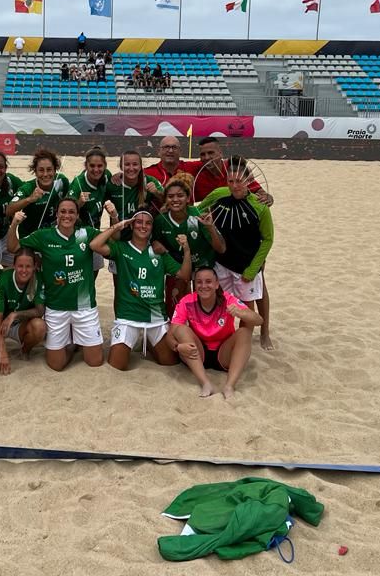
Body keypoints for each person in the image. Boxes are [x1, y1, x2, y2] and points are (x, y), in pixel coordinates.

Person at [6, 201, 103, 371]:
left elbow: (113, 239)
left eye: (71, 212)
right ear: (56, 214)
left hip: (84, 307)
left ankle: (74, 339)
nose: (67, 215)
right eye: (63, 211)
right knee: (56, 366)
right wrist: (14, 223)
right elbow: (13, 247)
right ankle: (72, 343)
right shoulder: (44, 236)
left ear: (77, 215)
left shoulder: (86, 233)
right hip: (56, 308)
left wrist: (115, 218)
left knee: (94, 362)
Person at [90, 212, 191, 370]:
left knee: (170, 362)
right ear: (131, 224)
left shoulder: (158, 252)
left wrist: (186, 249)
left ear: (152, 227)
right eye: (138, 222)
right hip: (128, 317)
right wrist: (119, 225)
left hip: (156, 319)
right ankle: (145, 342)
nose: (143, 226)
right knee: (117, 365)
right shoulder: (122, 248)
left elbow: (185, 275)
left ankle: (151, 343)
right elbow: (95, 245)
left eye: (148, 223)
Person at [196, 155, 274, 351]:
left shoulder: (259, 205)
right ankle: (224, 338)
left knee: (246, 308)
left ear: (248, 181)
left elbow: (268, 239)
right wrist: (209, 232)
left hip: (246, 267)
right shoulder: (218, 194)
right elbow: (197, 212)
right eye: (231, 181)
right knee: (222, 304)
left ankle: (247, 342)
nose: (234, 185)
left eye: (239, 181)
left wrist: (253, 268)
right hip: (222, 263)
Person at [169, 266, 264, 399]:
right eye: (199, 282)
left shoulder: (227, 299)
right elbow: (171, 333)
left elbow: (259, 320)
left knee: (244, 332)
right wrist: (177, 347)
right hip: (197, 352)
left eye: (208, 281)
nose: (204, 286)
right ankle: (205, 383)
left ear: (216, 284)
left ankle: (229, 385)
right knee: (181, 329)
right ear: (194, 284)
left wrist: (241, 313)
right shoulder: (187, 301)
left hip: (223, 353)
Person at [154, 179, 225, 315]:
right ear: (166, 200)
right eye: (170, 196)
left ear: (188, 198)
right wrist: (156, 244)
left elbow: (220, 248)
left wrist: (210, 228)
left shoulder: (197, 215)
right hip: (179, 265)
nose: (175, 199)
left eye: (180, 195)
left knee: (206, 303)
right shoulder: (161, 220)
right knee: (175, 302)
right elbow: (154, 241)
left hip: (203, 263)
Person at [0, 247, 46, 374]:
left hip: (20, 323)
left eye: (28, 266)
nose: (24, 270)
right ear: (14, 265)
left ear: (35, 266)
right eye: (20, 266)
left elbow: (40, 311)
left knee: (40, 327)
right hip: (0, 321)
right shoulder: (4, 280)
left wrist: (15, 314)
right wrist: (3, 352)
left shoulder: (38, 279)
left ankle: (25, 350)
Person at [6, 148, 71, 240]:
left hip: (53, 238)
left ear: (55, 170)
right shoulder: (28, 188)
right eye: (41, 170)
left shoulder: (62, 181)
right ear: (35, 172)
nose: (45, 174)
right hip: (30, 239)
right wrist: (30, 199)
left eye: (49, 170)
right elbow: (9, 210)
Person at [68, 147, 111, 275]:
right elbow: (65, 212)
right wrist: (78, 204)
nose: (96, 169)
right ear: (86, 165)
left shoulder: (107, 175)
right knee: (78, 275)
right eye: (92, 165)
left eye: (100, 166)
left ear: (105, 166)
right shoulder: (78, 184)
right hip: (77, 236)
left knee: (94, 273)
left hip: (95, 234)